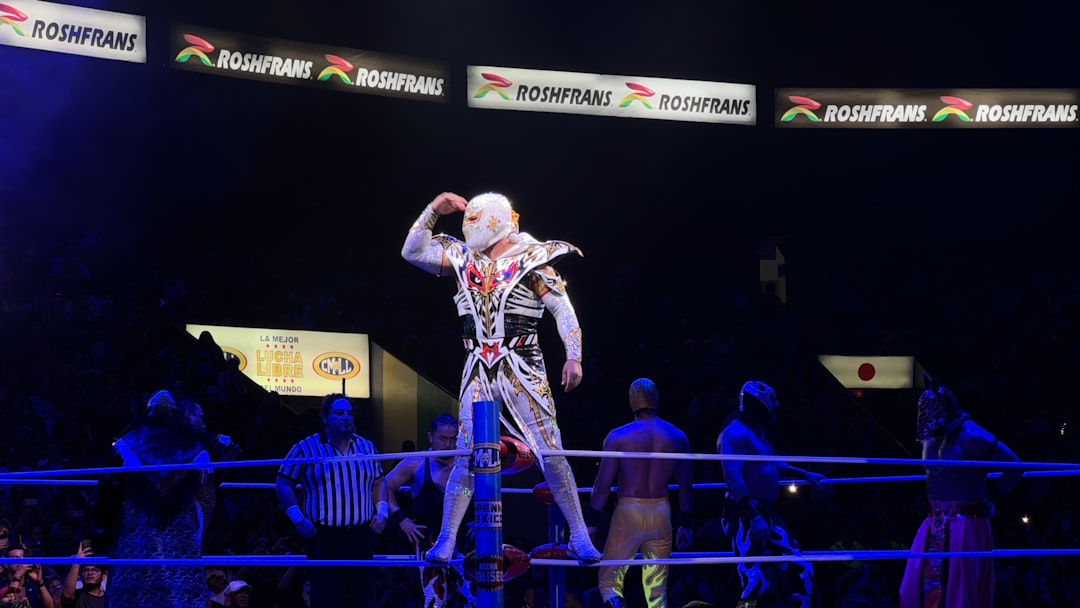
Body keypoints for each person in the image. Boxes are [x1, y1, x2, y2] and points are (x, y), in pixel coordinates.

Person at [401, 191, 602, 564]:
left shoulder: (534, 259)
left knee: (550, 450)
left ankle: (578, 534)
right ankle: (446, 539)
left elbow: (564, 311)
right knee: (466, 455)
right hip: (477, 364)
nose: (470, 226)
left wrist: (574, 357)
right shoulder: (463, 259)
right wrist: (432, 210)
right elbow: (412, 252)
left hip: (522, 362)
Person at [898, 378, 1022, 608]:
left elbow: (1014, 465)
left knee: (959, 598)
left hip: (965, 522)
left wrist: (991, 498)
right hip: (933, 521)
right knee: (911, 591)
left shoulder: (971, 434)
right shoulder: (933, 435)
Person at [91, 390, 212, 607]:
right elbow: (207, 497)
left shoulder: (126, 444)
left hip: (139, 533)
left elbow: (107, 493)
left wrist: (103, 531)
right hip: (179, 535)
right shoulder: (195, 449)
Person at [716, 381, 824, 608]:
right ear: (761, 408)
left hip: (767, 511)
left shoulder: (758, 431)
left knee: (800, 569)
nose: (776, 415)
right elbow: (733, 479)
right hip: (745, 512)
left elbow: (772, 463)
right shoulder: (734, 433)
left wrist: (806, 473)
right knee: (755, 581)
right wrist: (753, 517)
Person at [275, 393, 388, 608]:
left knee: (364, 600)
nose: (346, 417)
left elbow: (379, 481)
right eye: (339, 413)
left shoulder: (367, 447)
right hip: (323, 536)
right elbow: (283, 484)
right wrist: (298, 519)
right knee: (326, 600)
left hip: (361, 535)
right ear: (325, 417)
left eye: (349, 413)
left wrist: (381, 511)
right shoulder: (305, 448)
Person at [590, 378, 694, 608]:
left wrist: (591, 523)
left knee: (609, 582)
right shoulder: (677, 437)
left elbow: (602, 487)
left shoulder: (618, 437)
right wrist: (686, 523)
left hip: (629, 511)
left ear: (631, 402)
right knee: (657, 590)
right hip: (662, 512)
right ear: (657, 399)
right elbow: (686, 487)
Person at [381, 415, 476, 608]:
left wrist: (481, 521)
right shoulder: (415, 463)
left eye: (452, 438)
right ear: (430, 437)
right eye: (443, 438)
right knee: (433, 598)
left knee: (472, 598)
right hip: (429, 536)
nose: (448, 444)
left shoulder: (467, 463)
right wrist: (401, 519)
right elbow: (384, 486)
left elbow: (490, 489)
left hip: (464, 536)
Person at [59, 542, 106, 608]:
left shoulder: (108, 599)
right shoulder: (77, 596)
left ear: (103, 576)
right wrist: (77, 563)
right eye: (86, 570)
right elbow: (67, 596)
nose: (90, 573)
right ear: (80, 576)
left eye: (94, 570)